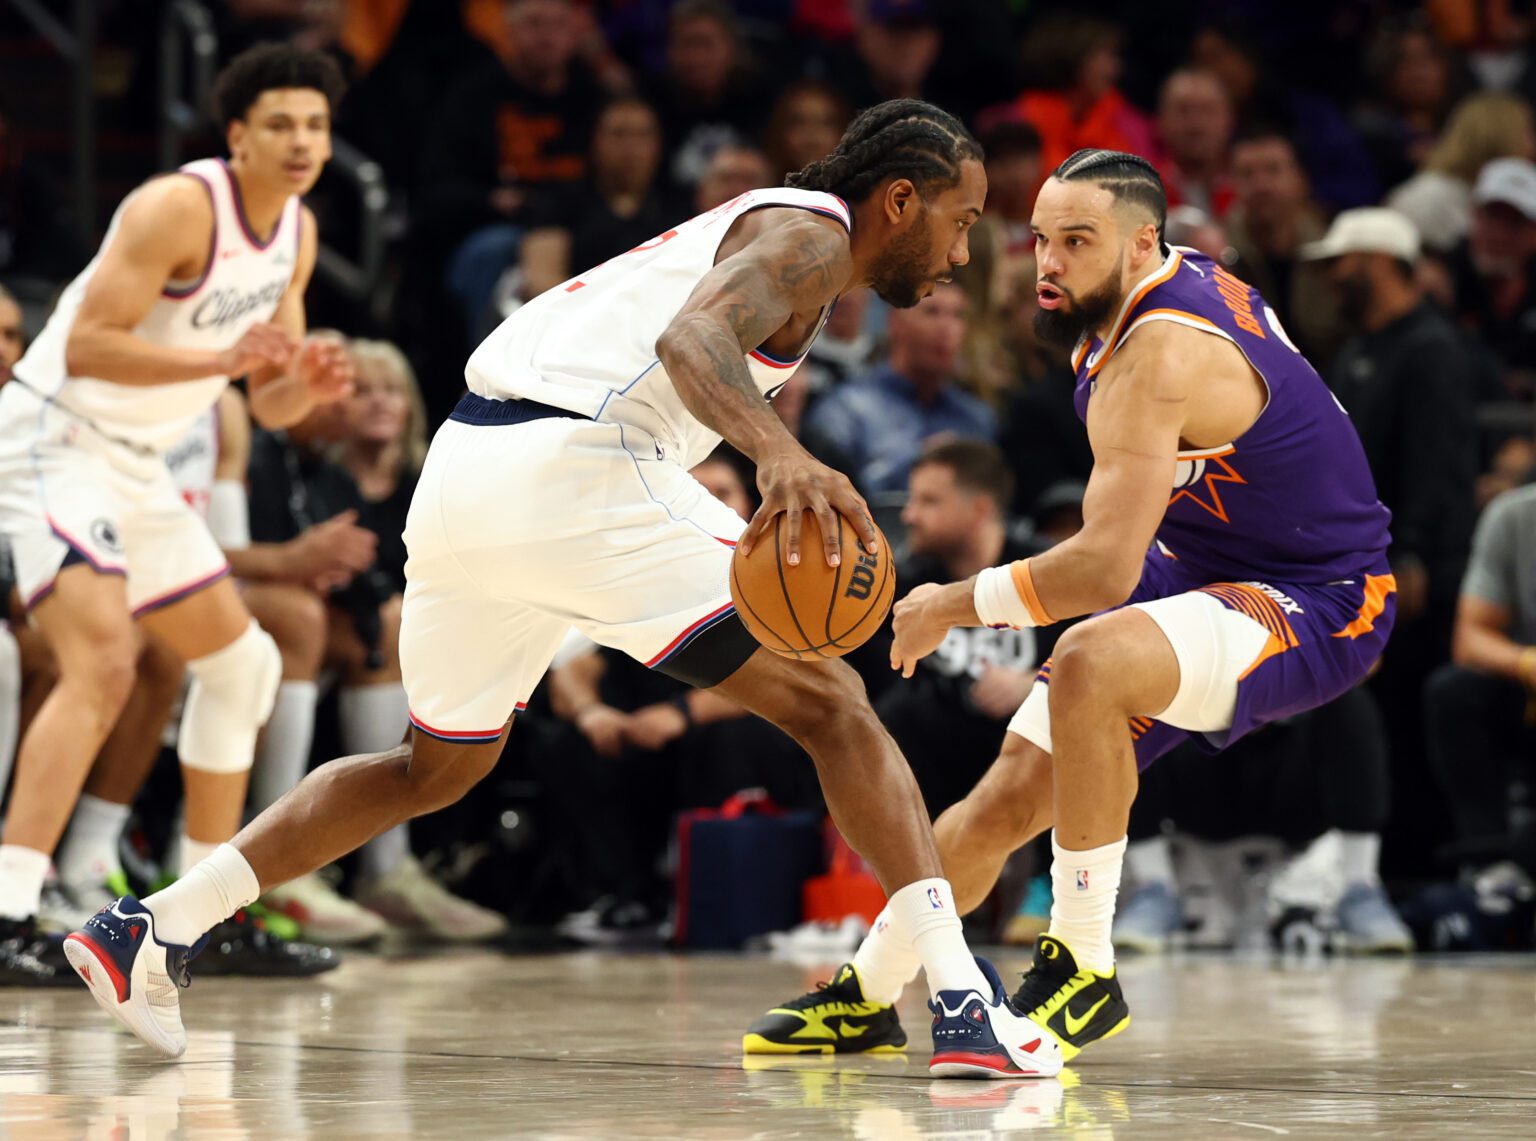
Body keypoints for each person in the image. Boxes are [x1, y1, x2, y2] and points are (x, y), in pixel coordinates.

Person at [71, 99, 1063, 1079]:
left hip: (465, 472)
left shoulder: (775, 233)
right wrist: (780, 458)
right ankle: (961, 1000)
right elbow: (693, 342)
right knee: (835, 702)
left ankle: (151, 926)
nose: (966, 255)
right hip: (578, 466)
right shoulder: (809, 239)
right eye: (964, 221)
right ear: (899, 199)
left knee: (433, 768)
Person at [748, 149, 1395, 1064]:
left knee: (1091, 653)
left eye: (1077, 241)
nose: (1049, 263)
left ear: (1141, 245)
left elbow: (1100, 572)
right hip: (1205, 568)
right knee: (1000, 801)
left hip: (1322, 598)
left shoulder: (1159, 352)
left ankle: (1083, 961)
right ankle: (870, 990)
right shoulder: (1148, 296)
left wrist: (950, 603)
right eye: (1043, 239)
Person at [0, 45, 353, 986]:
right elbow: (87, 344)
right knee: (104, 663)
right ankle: (8, 910)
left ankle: (191, 916)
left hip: (137, 463)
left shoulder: (298, 233)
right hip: (55, 437)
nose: (300, 142)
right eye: (279, 123)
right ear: (236, 135)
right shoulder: (176, 205)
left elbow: (267, 395)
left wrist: (299, 385)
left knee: (244, 666)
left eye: (314, 126)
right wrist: (225, 362)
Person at [1425, 484, 1536, 874]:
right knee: (1455, 693)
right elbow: (1469, 639)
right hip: (1527, 696)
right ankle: (1490, 871)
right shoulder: (1516, 516)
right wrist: (1526, 664)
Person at [803, 282, 996, 496]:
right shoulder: (845, 412)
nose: (946, 328)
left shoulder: (975, 418)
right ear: (895, 323)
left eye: (957, 316)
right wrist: (918, 463)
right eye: (932, 312)